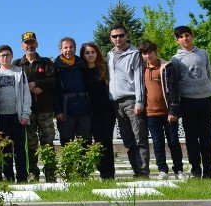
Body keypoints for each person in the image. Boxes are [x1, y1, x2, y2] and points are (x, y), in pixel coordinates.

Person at [170, 26, 211, 178]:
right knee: (191, 137)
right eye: (181, 37)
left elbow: (208, 72)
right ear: (177, 41)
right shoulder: (175, 59)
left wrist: (209, 89)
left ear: (192, 37)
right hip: (187, 100)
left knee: (206, 137)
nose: (185, 38)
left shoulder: (203, 53)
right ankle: (196, 169)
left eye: (187, 35)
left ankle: (208, 170)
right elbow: (175, 82)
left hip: (205, 99)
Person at [13, 32, 57, 182]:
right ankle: (33, 172)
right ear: (22, 45)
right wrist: (30, 87)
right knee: (31, 144)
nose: (29, 45)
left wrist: (37, 84)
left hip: (45, 109)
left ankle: (50, 172)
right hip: (28, 111)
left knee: (48, 142)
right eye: (26, 43)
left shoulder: (45, 62)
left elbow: (54, 81)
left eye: (32, 42)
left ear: (37, 44)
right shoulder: (17, 64)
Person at [107, 24, 150, 177]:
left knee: (139, 137)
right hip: (116, 102)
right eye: (114, 36)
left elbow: (139, 79)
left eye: (120, 35)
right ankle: (136, 171)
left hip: (132, 100)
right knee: (128, 139)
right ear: (111, 38)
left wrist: (140, 102)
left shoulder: (134, 54)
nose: (118, 38)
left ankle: (143, 171)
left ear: (126, 35)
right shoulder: (109, 55)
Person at [139, 40, 183, 180]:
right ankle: (162, 170)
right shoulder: (142, 69)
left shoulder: (167, 67)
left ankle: (179, 170)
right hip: (151, 114)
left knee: (174, 142)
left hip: (168, 113)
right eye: (144, 53)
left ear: (155, 51)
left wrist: (173, 110)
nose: (147, 56)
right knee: (157, 143)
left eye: (150, 52)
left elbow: (174, 90)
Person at [0, 45, 30, 182]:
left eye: (7, 55)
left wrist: (25, 114)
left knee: (20, 149)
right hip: (0, 118)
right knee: (5, 150)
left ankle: (22, 177)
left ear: (12, 56)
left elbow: (26, 95)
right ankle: (8, 178)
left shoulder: (19, 72)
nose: (5, 57)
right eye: (2, 55)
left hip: (17, 117)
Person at [81, 41, 116, 180]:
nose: (90, 55)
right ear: (83, 55)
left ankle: (110, 174)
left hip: (107, 110)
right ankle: (102, 172)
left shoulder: (104, 69)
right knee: (98, 141)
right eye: (87, 53)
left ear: (97, 53)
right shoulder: (81, 71)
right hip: (91, 112)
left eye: (93, 52)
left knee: (107, 141)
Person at [54, 37, 92, 146]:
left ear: (75, 49)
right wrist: (58, 111)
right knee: (67, 142)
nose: (68, 50)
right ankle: (69, 164)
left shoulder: (82, 64)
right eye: (65, 47)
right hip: (66, 109)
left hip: (84, 108)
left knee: (85, 141)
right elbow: (55, 91)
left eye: (71, 47)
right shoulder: (56, 67)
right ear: (60, 49)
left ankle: (85, 163)